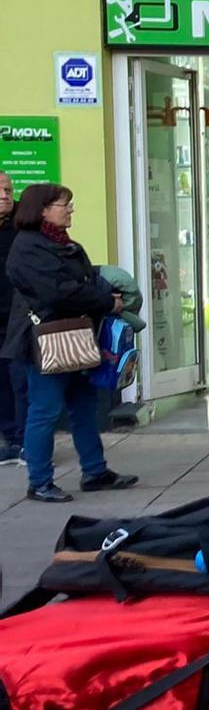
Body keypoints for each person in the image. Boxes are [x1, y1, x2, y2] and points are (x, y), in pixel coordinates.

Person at [3, 184, 137, 503]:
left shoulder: (62, 243)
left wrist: (104, 291)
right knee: (45, 411)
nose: (70, 210)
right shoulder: (29, 248)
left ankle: (95, 471)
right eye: (64, 204)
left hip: (75, 337)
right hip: (47, 342)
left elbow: (82, 281)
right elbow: (59, 291)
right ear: (43, 210)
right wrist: (107, 301)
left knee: (84, 407)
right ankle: (39, 481)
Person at [0, 171, 26, 467]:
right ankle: (9, 438)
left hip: (17, 319)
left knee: (21, 381)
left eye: (8, 190)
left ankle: (23, 441)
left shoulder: (23, 224)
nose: (5, 196)